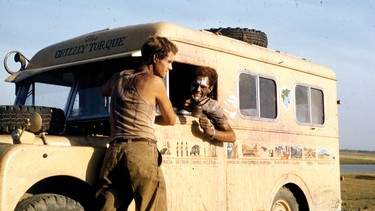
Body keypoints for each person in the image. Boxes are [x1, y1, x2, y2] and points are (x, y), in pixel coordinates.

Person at [96, 36, 178, 211]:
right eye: (169, 61)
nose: (170, 67)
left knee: (108, 206)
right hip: (141, 151)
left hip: (114, 152)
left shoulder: (118, 77)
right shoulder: (155, 82)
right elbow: (171, 120)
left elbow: (104, 91)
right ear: (155, 58)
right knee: (151, 206)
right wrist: (150, 117)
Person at [184, 66, 236, 143]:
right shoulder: (186, 99)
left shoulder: (212, 106)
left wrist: (211, 132)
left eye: (203, 87)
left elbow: (232, 137)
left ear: (210, 89)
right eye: (195, 85)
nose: (198, 90)